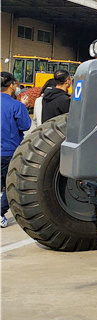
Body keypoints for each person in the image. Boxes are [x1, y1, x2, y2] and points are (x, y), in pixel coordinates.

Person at [1, 72, 32, 228]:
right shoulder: (16, 105)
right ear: (12, 85)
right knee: (10, 184)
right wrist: (24, 107)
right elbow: (25, 125)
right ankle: (0, 212)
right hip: (9, 151)